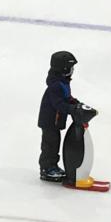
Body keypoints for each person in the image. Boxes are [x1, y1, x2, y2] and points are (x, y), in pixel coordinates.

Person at [37, 49, 97, 185]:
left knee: (55, 143)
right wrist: (72, 109)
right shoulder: (56, 86)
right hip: (49, 122)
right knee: (50, 145)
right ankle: (47, 168)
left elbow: (66, 98)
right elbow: (58, 104)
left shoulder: (62, 82)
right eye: (71, 68)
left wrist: (76, 103)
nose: (72, 70)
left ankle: (52, 166)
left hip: (55, 121)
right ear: (63, 69)